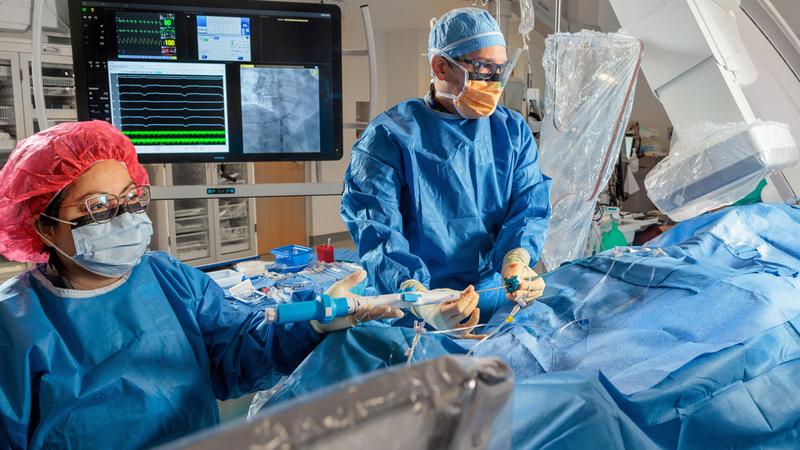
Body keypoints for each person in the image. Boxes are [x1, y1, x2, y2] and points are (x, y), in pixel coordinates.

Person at [0, 121, 401, 449]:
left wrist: (312, 324)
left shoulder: (166, 278)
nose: (125, 216)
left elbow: (240, 351)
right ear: (44, 224)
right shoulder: (14, 326)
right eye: (100, 206)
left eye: (131, 198)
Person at [341, 7, 551, 334]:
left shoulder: (512, 131)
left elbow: (529, 206)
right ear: (441, 67)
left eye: (500, 70)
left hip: (493, 299)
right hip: (416, 312)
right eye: (483, 69)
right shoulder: (388, 138)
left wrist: (517, 261)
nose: (494, 82)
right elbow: (378, 232)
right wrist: (418, 298)